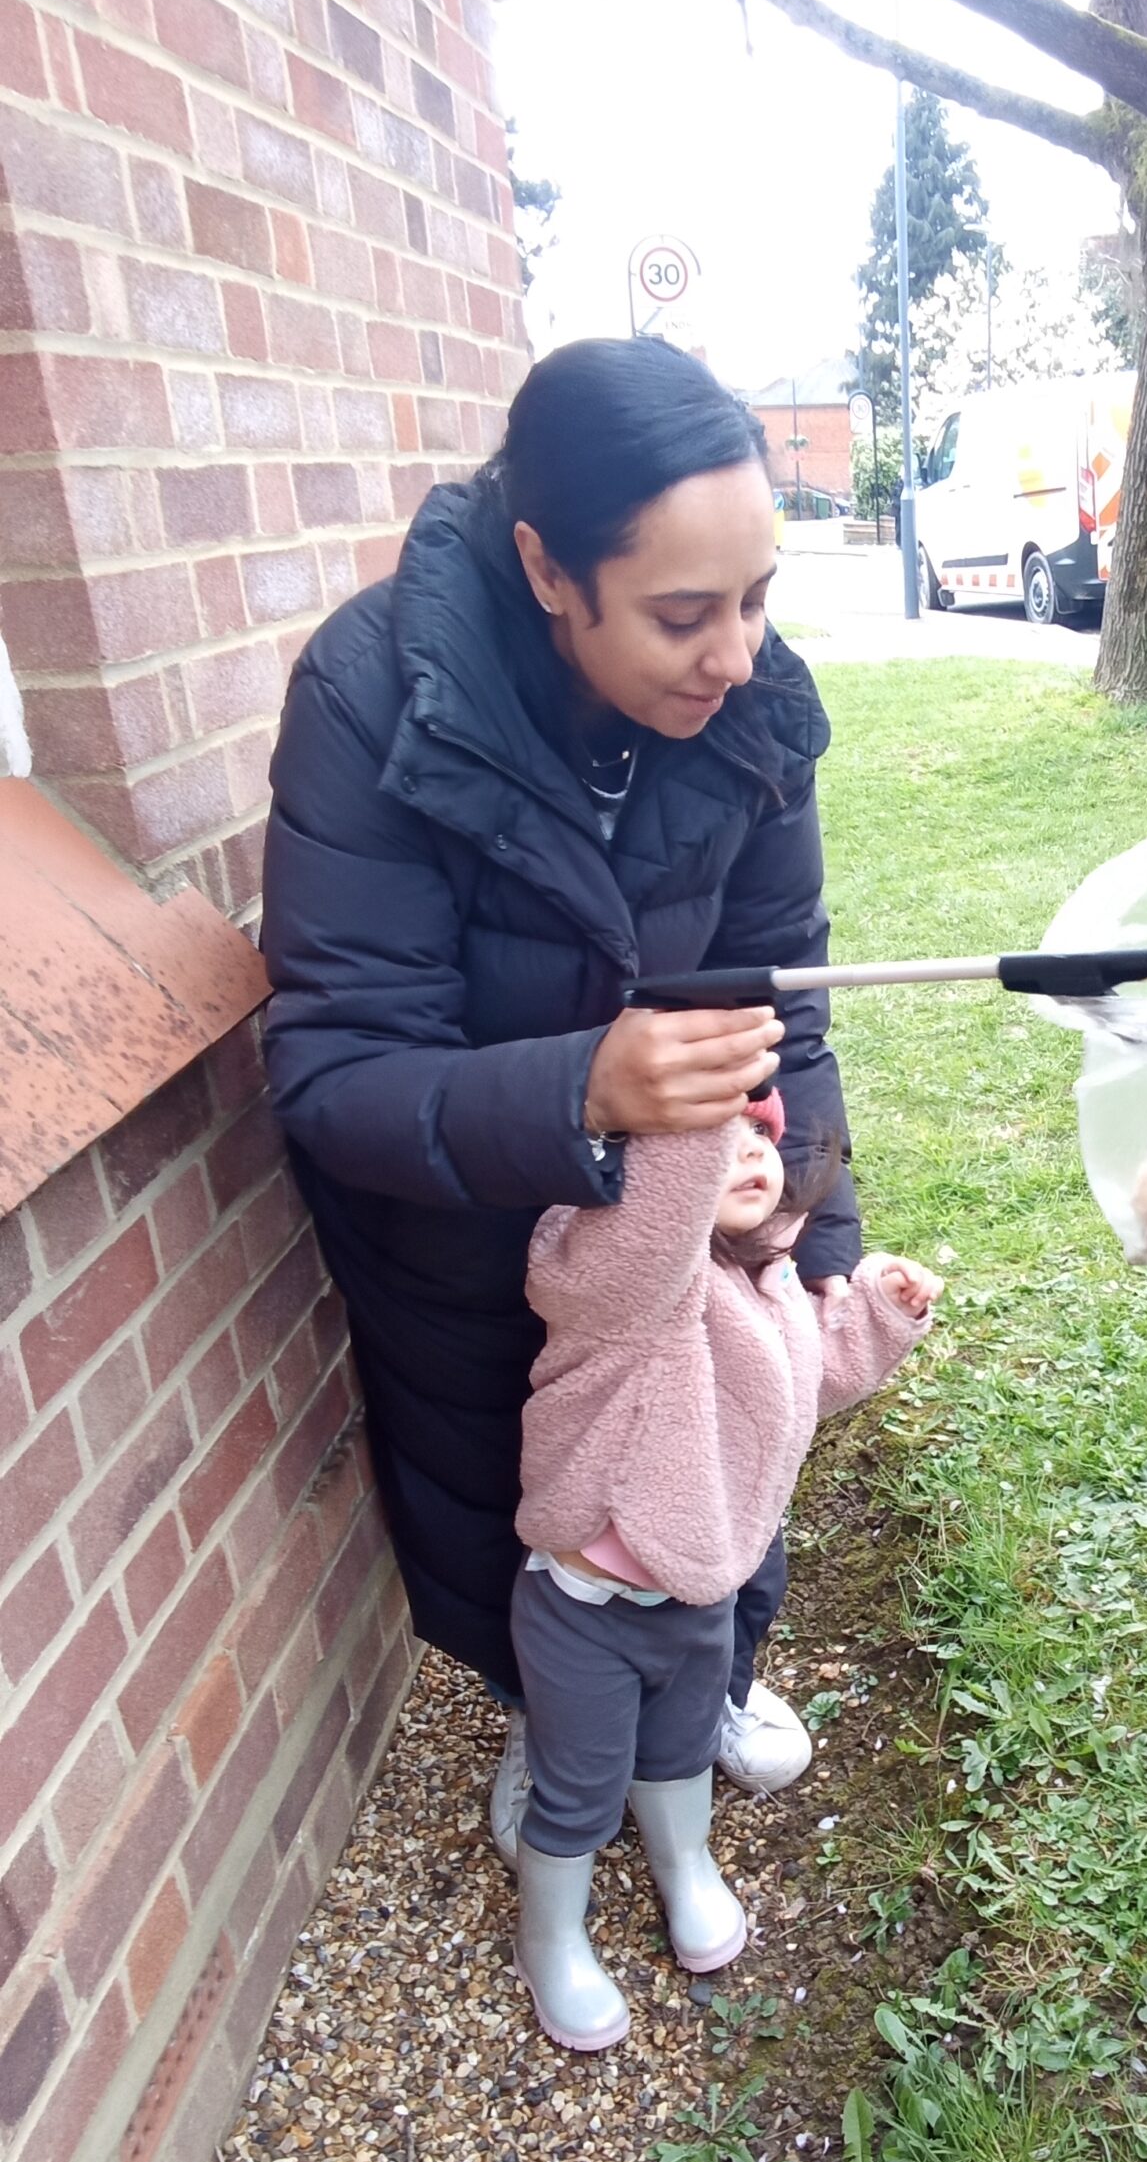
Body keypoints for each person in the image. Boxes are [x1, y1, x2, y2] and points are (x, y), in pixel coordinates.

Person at [262, 337, 852, 1857]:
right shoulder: (371, 694)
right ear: (545, 568)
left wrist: (809, 1228)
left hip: (687, 1236)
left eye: (758, 597)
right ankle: (554, 1708)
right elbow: (338, 1072)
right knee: (516, 1496)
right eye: (683, 615)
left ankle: (709, 1679)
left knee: (723, 1436)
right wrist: (585, 1086)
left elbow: (788, 997)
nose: (737, 656)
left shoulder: (752, 707)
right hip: (467, 1236)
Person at [508, 1099, 939, 2048]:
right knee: (577, 1789)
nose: (748, 1155)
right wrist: (686, 1116)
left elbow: (801, 1387)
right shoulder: (613, 1275)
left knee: (680, 1747)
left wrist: (878, 1311)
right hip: (584, 1611)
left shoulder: (763, 1280)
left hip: (699, 1593)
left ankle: (687, 1866)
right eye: (717, 1141)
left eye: (759, 1142)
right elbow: (645, 1228)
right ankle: (551, 1939)